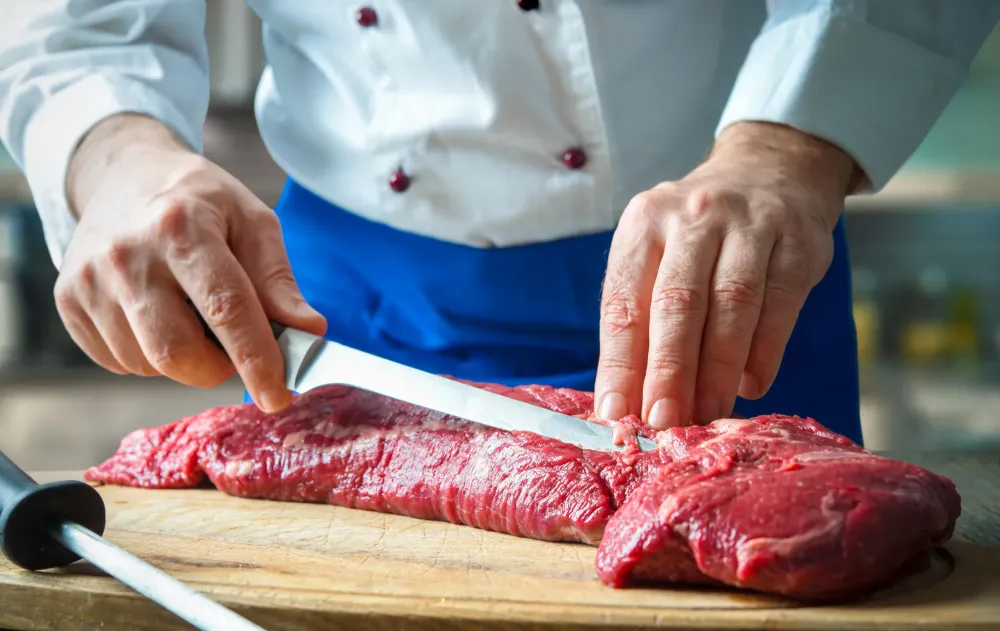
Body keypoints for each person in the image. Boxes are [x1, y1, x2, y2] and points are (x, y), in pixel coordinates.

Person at [2, 1, 998, 445]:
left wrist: (787, 152)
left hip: (716, 272)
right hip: (339, 308)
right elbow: (74, 19)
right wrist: (115, 154)